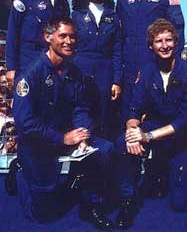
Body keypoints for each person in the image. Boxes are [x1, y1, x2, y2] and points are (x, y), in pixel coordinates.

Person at [8, 17, 114, 230]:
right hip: (39, 143)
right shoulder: (30, 76)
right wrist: (62, 138)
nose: (69, 41)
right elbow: (25, 123)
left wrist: (82, 134)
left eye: (73, 36)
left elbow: (80, 108)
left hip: (66, 136)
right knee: (43, 215)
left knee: (105, 150)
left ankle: (90, 204)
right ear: (48, 38)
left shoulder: (73, 72)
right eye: (63, 36)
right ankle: (19, 169)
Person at [115, 19, 187, 229]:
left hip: (181, 137)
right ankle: (128, 198)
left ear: (176, 42)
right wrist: (132, 132)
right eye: (158, 41)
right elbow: (134, 109)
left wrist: (148, 137)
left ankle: (173, 168)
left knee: (180, 204)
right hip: (155, 127)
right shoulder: (145, 72)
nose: (164, 45)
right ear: (150, 46)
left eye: (169, 40)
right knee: (122, 143)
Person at [116, 0, 185, 124]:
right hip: (128, 66)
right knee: (129, 114)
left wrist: (172, 64)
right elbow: (118, 34)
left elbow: (178, 28)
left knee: (155, 115)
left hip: (155, 65)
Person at [6, 0, 70, 87]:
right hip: (27, 62)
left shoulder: (63, 4)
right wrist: (11, 67)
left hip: (53, 64)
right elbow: (13, 33)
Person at [72, 0, 122, 140]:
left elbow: (116, 50)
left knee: (103, 115)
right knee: (81, 112)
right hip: (80, 68)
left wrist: (116, 80)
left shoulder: (113, 16)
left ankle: (102, 157)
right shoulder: (76, 15)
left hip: (105, 70)